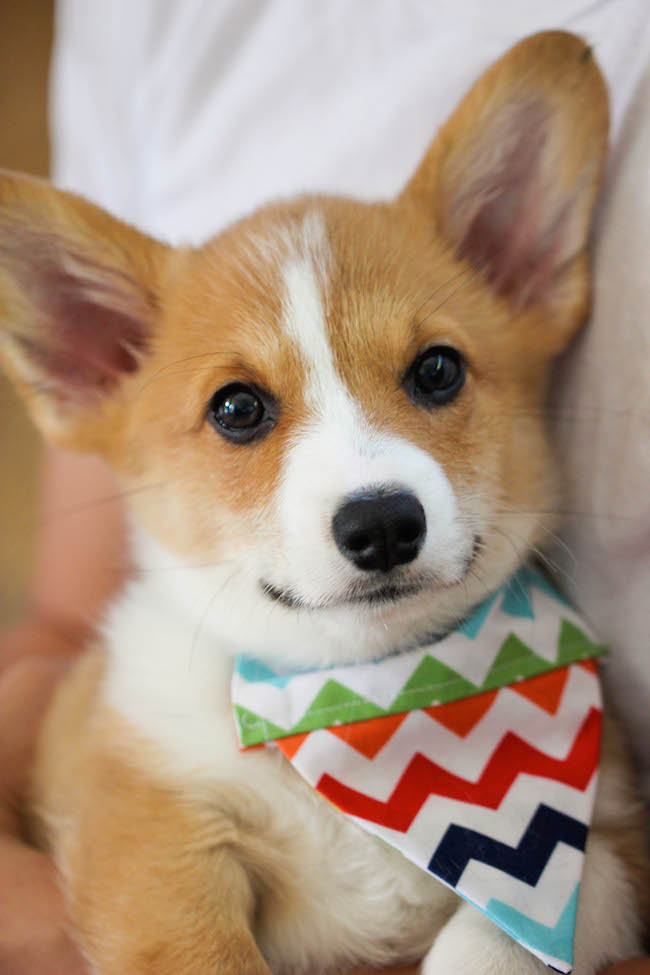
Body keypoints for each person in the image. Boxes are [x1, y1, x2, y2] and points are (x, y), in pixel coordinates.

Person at [1, 2, 649, 972]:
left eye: (432, 375)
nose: (371, 494)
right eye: (240, 411)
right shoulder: (167, 723)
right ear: (96, 370)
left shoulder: (557, 699)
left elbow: (617, 856)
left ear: (517, 277)